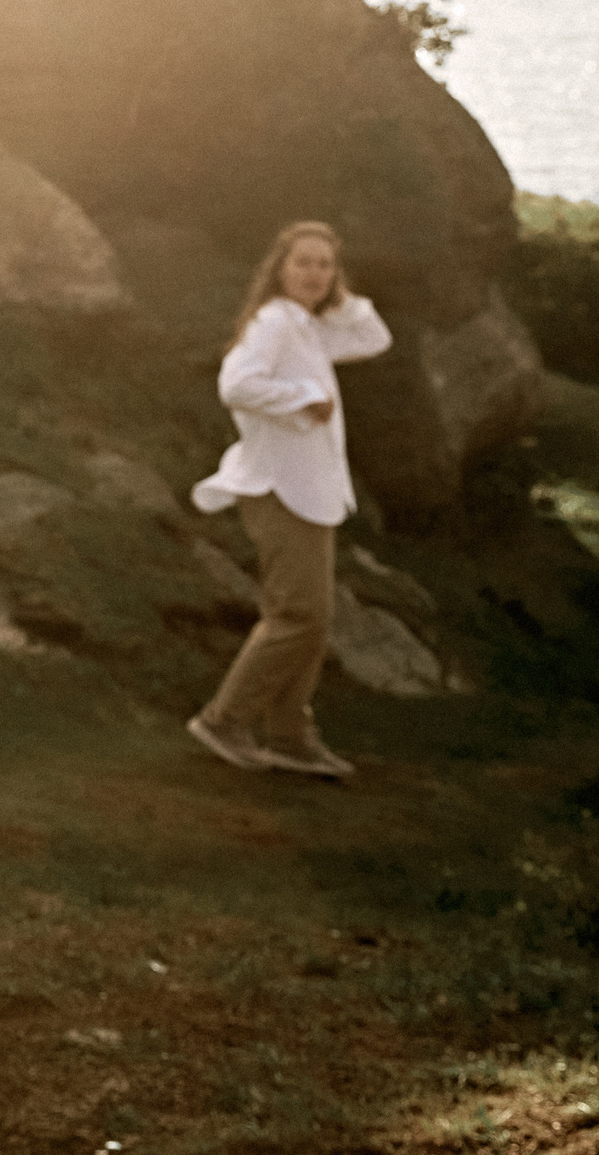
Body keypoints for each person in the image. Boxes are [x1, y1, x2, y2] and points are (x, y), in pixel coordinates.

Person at [184, 220, 391, 780]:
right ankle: (223, 721)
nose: (313, 274)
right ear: (279, 267)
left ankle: (291, 736)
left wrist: (342, 298)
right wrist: (304, 397)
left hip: (309, 492)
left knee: (313, 620)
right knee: (297, 614)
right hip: (276, 488)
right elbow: (235, 385)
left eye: (324, 265)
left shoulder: (308, 327)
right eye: (302, 262)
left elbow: (374, 338)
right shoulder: (274, 322)